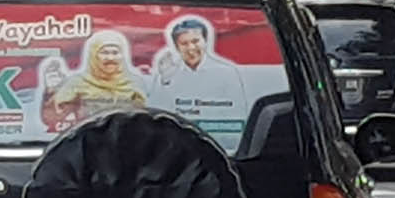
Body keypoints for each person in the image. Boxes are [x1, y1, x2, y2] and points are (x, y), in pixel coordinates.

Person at [146, 16, 249, 145]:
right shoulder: (168, 74)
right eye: (184, 44)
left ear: (205, 41)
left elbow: (238, 115)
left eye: (195, 41)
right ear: (177, 47)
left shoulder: (226, 72)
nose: (191, 48)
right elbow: (154, 116)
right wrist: (165, 82)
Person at [39, 30, 146, 132]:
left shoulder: (135, 84)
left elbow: (145, 121)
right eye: (104, 53)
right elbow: (53, 119)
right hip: (87, 145)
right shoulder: (77, 83)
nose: (110, 58)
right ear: (93, 55)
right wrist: (51, 90)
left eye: (115, 52)